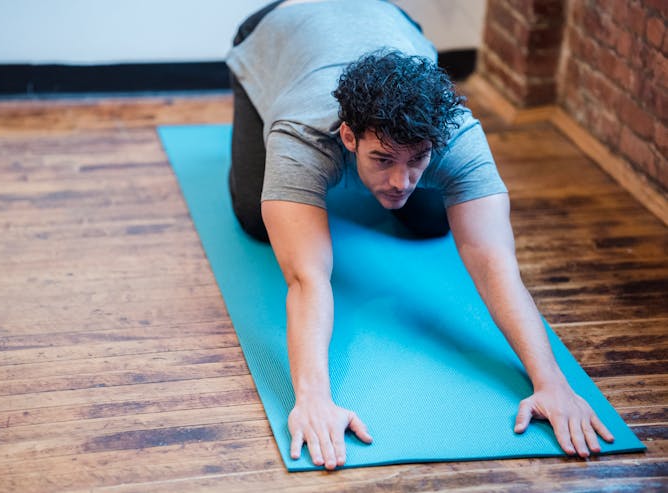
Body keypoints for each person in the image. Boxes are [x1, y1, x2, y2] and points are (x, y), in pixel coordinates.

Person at [226, 0, 614, 470]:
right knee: (255, 217)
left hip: (386, 17)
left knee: (430, 220)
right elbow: (309, 279)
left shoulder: (457, 136)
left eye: (417, 161)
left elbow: (494, 262)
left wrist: (551, 381)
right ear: (348, 137)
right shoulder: (301, 136)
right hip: (277, 29)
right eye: (382, 160)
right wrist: (314, 399)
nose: (399, 180)